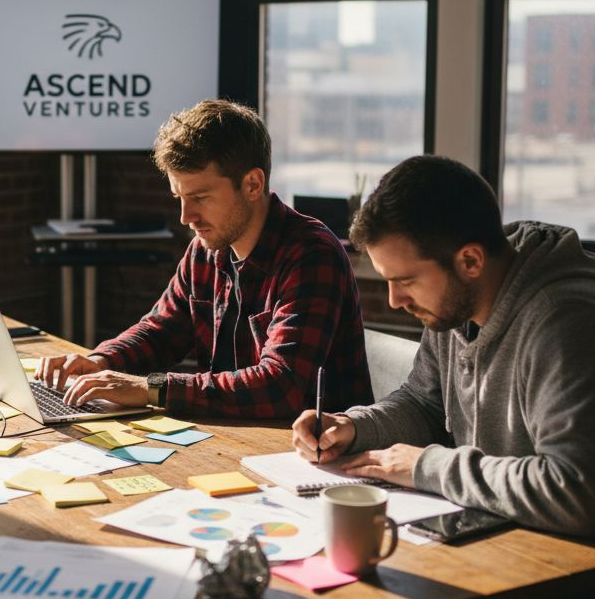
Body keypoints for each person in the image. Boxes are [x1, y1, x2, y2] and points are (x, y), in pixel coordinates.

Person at [291, 155, 595, 599]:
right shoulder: (454, 307)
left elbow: (578, 495)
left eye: (406, 281)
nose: (393, 300)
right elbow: (423, 402)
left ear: (471, 260)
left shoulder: (566, 324)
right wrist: (352, 427)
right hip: (513, 542)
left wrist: (426, 466)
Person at [37, 99, 369, 419]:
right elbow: (162, 330)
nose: (186, 216)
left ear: (253, 184)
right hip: (236, 441)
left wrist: (152, 389)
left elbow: (280, 386)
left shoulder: (312, 256)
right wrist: (100, 362)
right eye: (179, 197)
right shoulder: (207, 248)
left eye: (199, 197)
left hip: (308, 459)